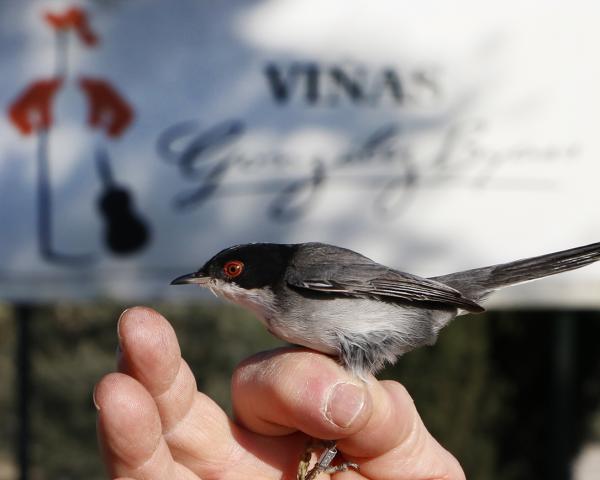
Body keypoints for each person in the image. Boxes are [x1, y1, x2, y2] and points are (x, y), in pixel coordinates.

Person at [94, 307, 465, 479]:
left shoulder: (305, 278)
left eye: (233, 272)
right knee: (332, 396)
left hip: (406, 311)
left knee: (340, 397)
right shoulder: (284, 320)